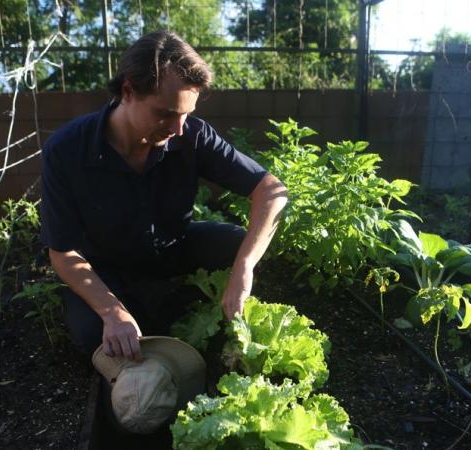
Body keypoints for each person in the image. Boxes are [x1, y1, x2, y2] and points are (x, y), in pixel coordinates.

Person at [40, 30, 288, 362]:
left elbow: (271, 191)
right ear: (128, 91)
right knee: (93, 338)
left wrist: (244, 268)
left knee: (238, 244)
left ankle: (173, 305)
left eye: (186, 114)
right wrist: (113, 312)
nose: (179, 128)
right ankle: (149, 309)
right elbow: (63, 253)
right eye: (166, 113)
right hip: (105, 268)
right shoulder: (67, 150)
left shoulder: (191, 136)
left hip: (173, 249)